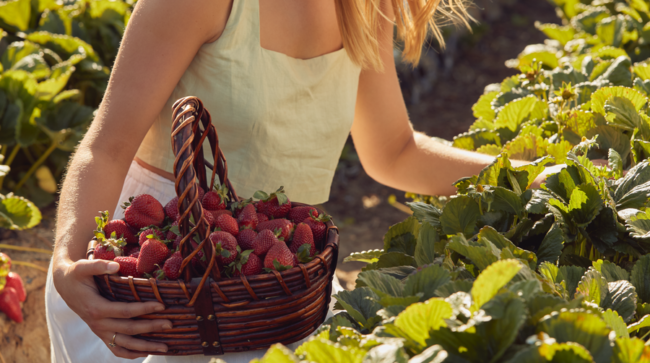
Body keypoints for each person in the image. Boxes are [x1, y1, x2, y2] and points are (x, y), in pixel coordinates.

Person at [46, 0, 536, 362]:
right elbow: (105, 148)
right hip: (156, 279)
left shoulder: (363, 9)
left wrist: (526, 178)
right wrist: (68, 261)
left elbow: (394, 152)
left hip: (273, 282)